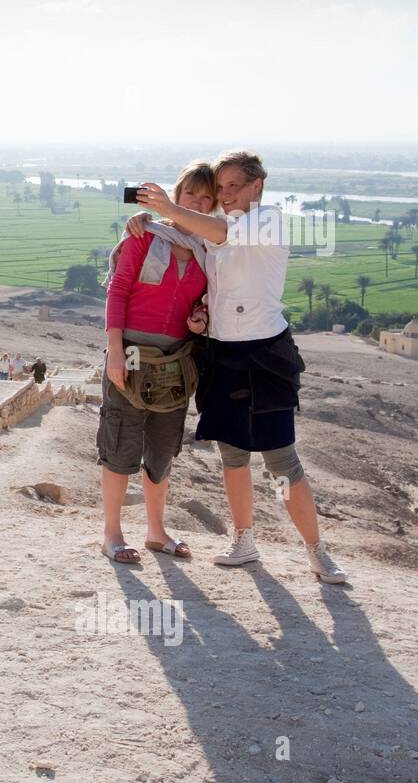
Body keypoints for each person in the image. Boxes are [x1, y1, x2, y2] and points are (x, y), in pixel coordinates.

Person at [129, 150, 348, 584]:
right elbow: (209, 268)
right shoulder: (215, 230)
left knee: (282, 459)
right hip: (222, 352)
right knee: (232, 456)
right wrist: (142, 223)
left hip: (265, 354)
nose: (225, 195)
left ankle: (317, 551)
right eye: (220, 188)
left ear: (257, 186)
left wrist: (168, 209)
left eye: (233, 186)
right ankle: (244, 541)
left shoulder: (268, 220)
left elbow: (220, 233)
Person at [99, 162, 213, 564]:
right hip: (129, 354)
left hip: (176, 363)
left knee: (162, 452)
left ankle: (155, 532)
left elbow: (204, 304)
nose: (196, 203)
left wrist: (200, 318)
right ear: (175, 198)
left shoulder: (208, 251)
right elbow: (118, 292)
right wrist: (114, 350)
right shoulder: (143, 235)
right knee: (119, 447)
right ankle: (112, 535)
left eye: (205, 199)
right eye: (190, 196)